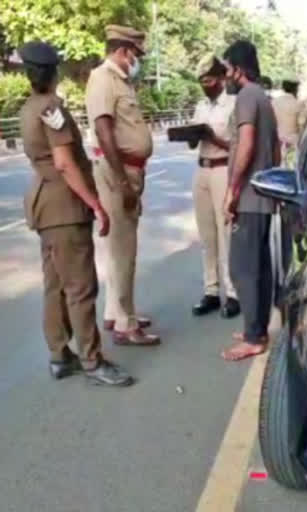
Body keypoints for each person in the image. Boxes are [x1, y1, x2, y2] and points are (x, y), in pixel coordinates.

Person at [18, 41, 133, 386]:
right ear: (54, 72)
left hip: (43, 203)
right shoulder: (51, 108)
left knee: (55, 284)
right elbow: (66, 164)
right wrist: (96, 204)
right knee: (80, 286)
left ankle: (59, 355)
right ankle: (92, 359)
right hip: (64, 206)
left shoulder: (28, 108)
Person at [85, 25, 160, 346]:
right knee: (123, 250)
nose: (137, 60)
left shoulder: (121, 82)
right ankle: (127, 326)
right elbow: (103, 130)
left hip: (130, 171)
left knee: (119, 247)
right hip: (118, 173)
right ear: (123, 51)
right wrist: (122, 183)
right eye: (135, 54)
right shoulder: (103, 78)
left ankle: (116, 312)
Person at [220, 40, 281, 361]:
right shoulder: (264, 99)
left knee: (243, 268)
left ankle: (255, 336)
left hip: (248, 197)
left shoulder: (245, 97)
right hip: (263, 195)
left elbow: (246, 144)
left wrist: (232, 190)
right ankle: (254, 327)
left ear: (239, 70)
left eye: (227, 70)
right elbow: (275, 150)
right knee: (258, 266)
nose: (225, 77)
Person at [189, 55, 240, 318]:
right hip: (202, 169)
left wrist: (213, 138)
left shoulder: (233, 105)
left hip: (222, 168)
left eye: (208, 80)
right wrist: (190, 136)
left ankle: (232, 294)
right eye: (201, 81)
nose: (204, 85)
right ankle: (211, 290)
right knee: (206, 235)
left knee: (225, 233)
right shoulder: (201, 106)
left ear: (220, 79)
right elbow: (196, 139)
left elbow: (239, 147)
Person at [271, 78, 300, 167]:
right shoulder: (298, 104)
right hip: (293, 142)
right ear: (295, 89)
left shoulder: (274, 102)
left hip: (277, 141)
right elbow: (301, 125)